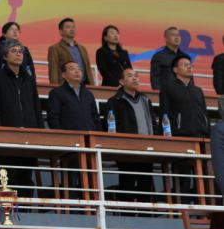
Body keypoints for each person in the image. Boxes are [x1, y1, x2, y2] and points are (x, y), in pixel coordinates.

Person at [0, 39, 44, 195]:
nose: (18, 54)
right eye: (14, 51)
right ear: (5, 56)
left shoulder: (29, 79)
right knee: (9, 175)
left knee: (26, 176)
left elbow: (36, 107)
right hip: (7, 134)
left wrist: (40, 131)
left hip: (29, 134)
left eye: (20, 51)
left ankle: (25, 206)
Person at [106, 68, 160, 202]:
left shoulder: (146, 100)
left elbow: (153, 124)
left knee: (145, 188)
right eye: (130, 76)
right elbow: (110, 127)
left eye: (136, 76)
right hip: (126, 151)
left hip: (146, 151)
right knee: (127, 186)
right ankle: (126, 213)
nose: (135, 78)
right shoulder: (114, 101)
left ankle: (144, 214)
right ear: (121, 81)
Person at [159, 54, 208, 138]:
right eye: (185, 65)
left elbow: (205, 114)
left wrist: (207, 132)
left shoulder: (198, 90)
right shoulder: (168, 88)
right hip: (179, 135)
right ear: (175, 70)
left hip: (201, 136)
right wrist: (167, 136)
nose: (189, 67)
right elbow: (164, 115)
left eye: (190, 65)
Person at [48, 61, 101, 131]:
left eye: (79, 69)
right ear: (63, 75)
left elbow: (95, 117)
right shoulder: (57, 93)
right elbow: (53, 117)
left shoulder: (88, 94)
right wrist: (60, 135)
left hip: (89, 135)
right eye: (72, 69)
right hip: (69, 136)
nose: (77, 71)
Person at [47, 17, 93, 85]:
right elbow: (53, 70)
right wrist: (55, 87)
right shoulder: (55, 48)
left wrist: (92, 85)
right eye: (68, 27)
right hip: (65, 85)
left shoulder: (83, 48)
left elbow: (88, 69)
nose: (72, 29)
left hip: (84, 85)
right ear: (61, 31)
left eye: (73, 27)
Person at [150, 26, 185, 90]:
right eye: (173, 35)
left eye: (178, 35)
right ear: (166, 38)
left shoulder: (185, 57)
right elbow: (155, 79)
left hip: (183, 94)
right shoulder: (158, 57)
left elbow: (190, 78)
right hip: (166, 94)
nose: (177, 37)